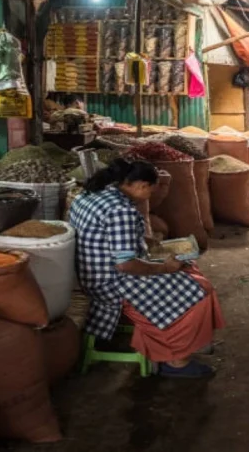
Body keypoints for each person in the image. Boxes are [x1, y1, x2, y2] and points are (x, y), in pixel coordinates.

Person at [69, 158, 225, 378]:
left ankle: (193, 341)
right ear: (142, 185)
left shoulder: (91, 194)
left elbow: (105, 238)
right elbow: (125, 264)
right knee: (200, 290)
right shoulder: (121, 210)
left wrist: (145, 242)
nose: (151, 195)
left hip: (90, 275)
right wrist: (165, 268)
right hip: (112, 283)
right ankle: (175, 360)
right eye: (151, 190)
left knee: (190, 269)